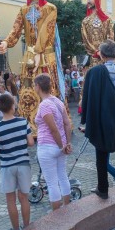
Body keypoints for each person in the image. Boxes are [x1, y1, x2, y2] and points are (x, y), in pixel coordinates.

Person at [0, 0, 66, 138]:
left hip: (45, 57)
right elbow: (15, 30)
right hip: (28, 58)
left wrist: (38, 52)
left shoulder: (50, 8)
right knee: (28, 92)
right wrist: (5, 42)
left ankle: (53, 124)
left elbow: (46, 32)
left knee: (47, 90)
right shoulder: (23, 9)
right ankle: (30, 126)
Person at [81, 39, 115, 199]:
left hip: (103, 117)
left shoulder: (95, 72)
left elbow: (89, 96)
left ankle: (103, 189)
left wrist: (87, 119)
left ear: (101, 55)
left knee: (101, 154)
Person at [0, 94, 34, 230]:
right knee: (24, 198)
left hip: (7, 166)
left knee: (10, 200)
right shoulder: (23, 122)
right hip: (23, 164)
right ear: (13, 106)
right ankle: (26, 227)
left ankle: (15, 229)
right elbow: (31, 143)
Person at [34, 73, 72, 210]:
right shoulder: (58, 101)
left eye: (34, 85)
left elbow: (53, 129)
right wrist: (67, 143)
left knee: (52, 183)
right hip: (60, 145)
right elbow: (67, 124)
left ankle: (56, 216)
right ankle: (67, 207)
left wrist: (63, 146)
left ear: (38, 86)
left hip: (47, 146)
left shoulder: (44, 105)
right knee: (62, 176)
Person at [80, 0, 115, 68]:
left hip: (106, 60)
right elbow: (85, 40)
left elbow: (110, 39)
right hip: (93, 59)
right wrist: (95, 52)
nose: (88, 0)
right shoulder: (85, 21)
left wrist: (104, 52)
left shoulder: (107, 20)